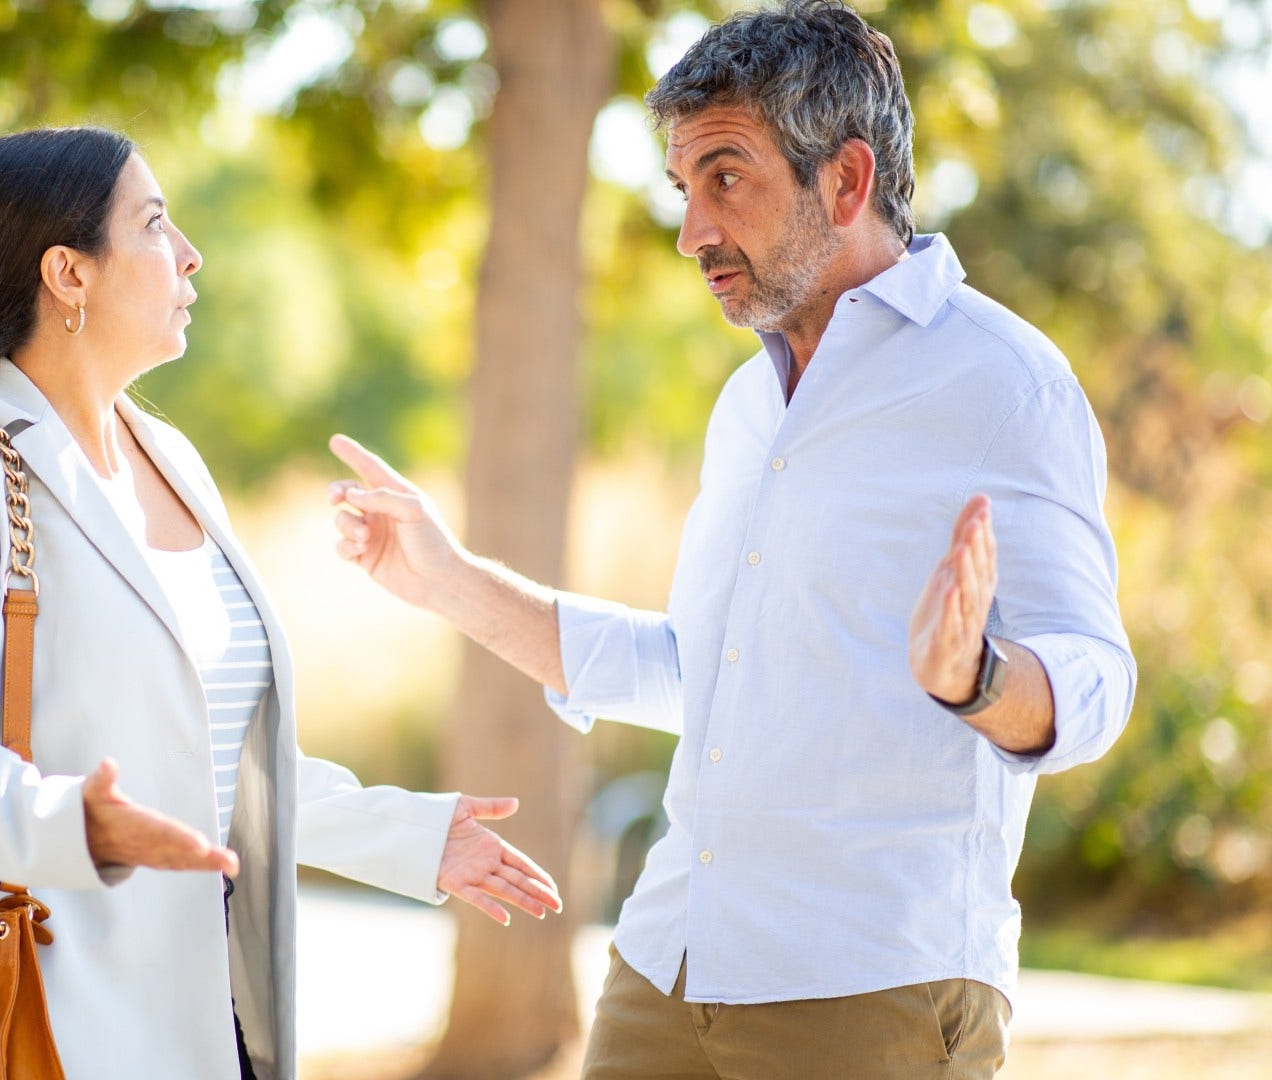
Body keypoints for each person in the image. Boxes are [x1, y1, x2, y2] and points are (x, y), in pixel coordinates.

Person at [326, 3, 1134, 1077]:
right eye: (684, 189)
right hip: (667, 967)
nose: (691, 233)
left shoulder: (1005, 385)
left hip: (866, 988)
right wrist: (445, 580)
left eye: (727, 179)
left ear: (845, 182)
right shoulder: (749, 406)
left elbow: (1097, 677)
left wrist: (976, 677)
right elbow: (699, 676)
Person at [0, 126, 563, 1080]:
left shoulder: (174, 462)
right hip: (46, 1007)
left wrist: (407, 835)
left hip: (219, 1006)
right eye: (157, 222)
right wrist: (66, 824)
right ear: (68, 273)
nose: (190, 253)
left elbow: (214, 762)